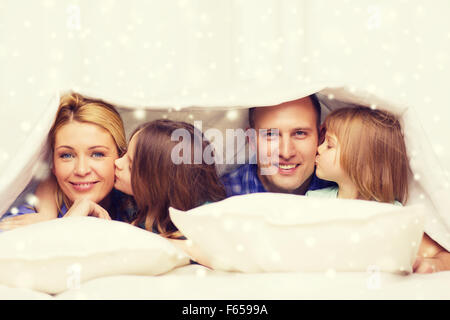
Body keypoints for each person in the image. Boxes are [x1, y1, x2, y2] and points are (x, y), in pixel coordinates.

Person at [307, 106, 450, 273]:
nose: (318, 148)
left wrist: (432, 265)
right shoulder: (313, 201)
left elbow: (444, 255)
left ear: (360, 162)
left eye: (329, 145)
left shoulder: (392, 214)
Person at [0, 92, 134, 229]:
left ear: (120, 156)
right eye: (67, 155)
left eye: (97, 154)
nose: (81, 170)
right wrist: (63, 225)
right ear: (53, 163)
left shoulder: (134, 203)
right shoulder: (27, 222)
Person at [114, 119, 226, 237]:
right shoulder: (124, 199)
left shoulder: (204, 222)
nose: (117, 162)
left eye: (131, 167)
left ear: (160, 186)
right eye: (124, 153)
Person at [221, 95, 335, 197]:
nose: (286, 153)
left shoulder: (344, 189)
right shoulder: (221, 195)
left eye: (300, 133)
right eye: (270, 134)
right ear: (252, 140)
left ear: (320, 137)